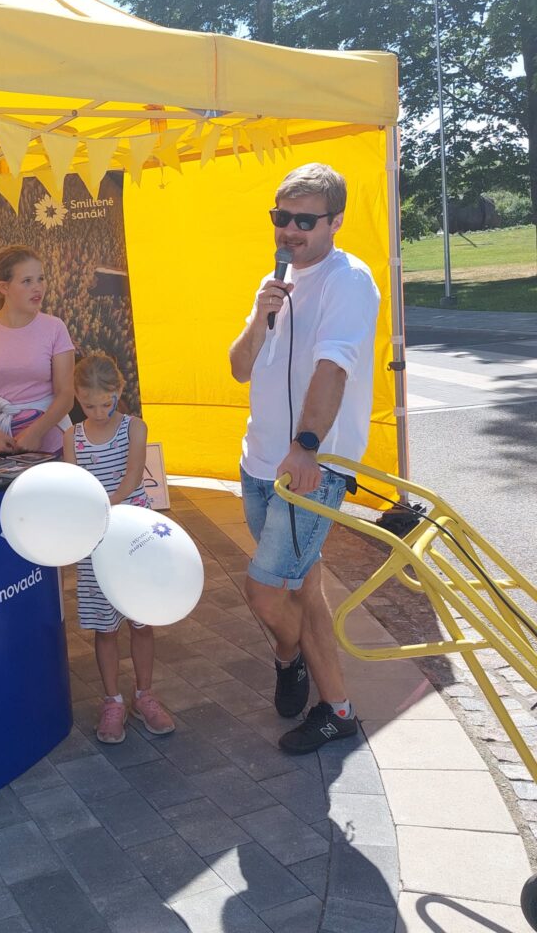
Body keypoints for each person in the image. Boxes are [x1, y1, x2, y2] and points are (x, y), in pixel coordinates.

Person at [228, 163, 380, 754]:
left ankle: (288, 658)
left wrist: (307, 448)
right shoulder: (274, 281)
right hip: (258, 465)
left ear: (336, 221)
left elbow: (333, 367)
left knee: (265, 592)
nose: (288, 231)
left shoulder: (349, 280)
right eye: (280, 217)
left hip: (305, 470)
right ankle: (337, 709)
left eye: (303, 220)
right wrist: (261, 320)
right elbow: (240, 368)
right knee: (304, 590)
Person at [63, 354, 175, 744]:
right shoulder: (72, 437)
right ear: (77, 396)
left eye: (105, 403)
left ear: (119, 392)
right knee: (104, 625)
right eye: (89, 404)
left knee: (142, 621)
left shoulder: (135, 427)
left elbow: (131, 477)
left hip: (132, 536)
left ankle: (145, 696)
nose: (97, 411)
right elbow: (76, 483)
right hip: (95, 542)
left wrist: (103, 507)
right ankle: (113, 700)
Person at [0, 245, 75, 456]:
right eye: (27, 281)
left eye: (41, 278)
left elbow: (66, 395)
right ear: (4, 287)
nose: (38, 287)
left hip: (52, 446)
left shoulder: (55, 327)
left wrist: (36, 433)